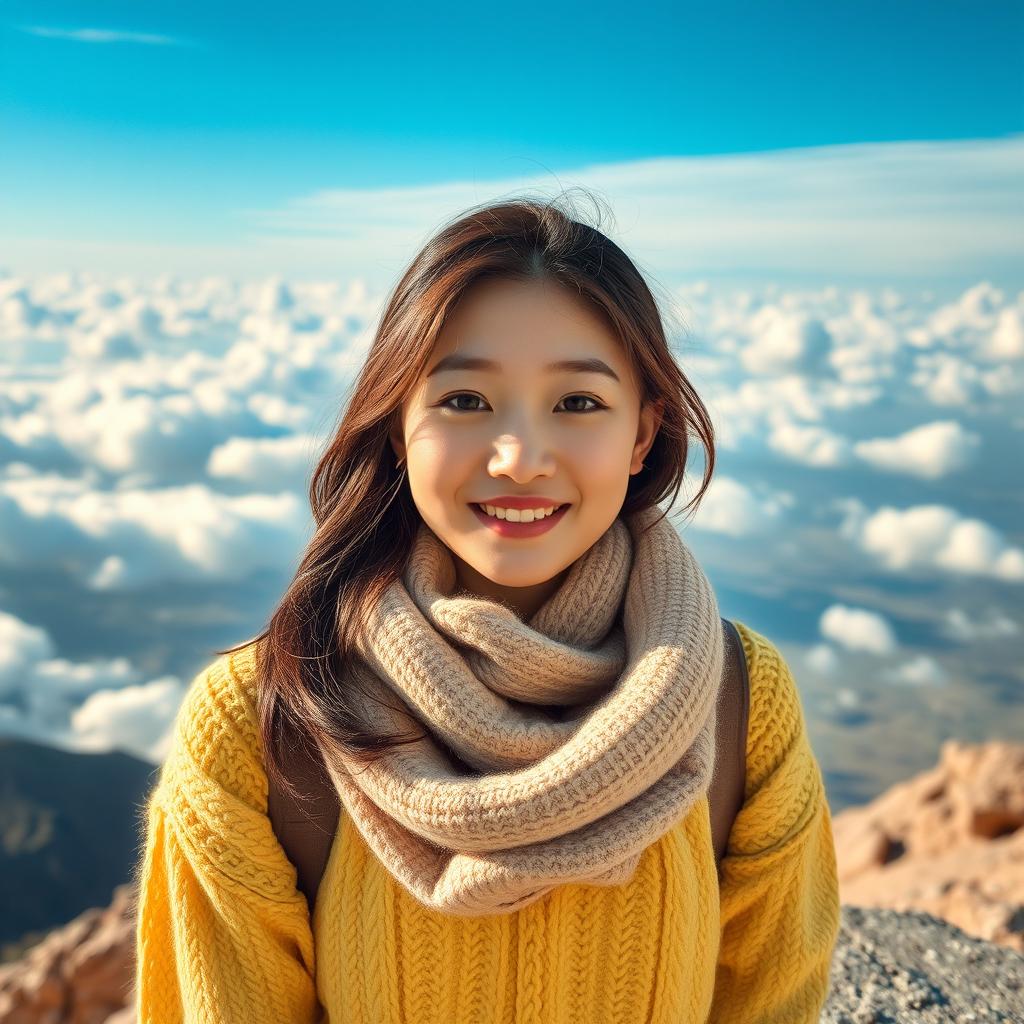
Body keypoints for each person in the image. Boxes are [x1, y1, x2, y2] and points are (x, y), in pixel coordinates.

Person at [131, 192, 841, 1023]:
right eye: (464, 400)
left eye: (578, 403)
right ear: (398, 426)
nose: (519, 458)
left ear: (643, 435)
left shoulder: (742, 702)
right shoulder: (261, 724)